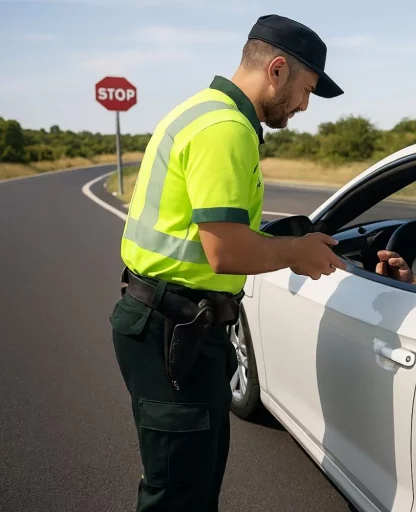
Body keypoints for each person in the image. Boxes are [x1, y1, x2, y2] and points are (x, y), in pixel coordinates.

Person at [109, 14, 345, 512]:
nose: (304, 105)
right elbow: (226, 251)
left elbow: (209, 234)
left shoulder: (200, 110)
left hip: (171, 322)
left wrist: (279, 240)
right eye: (306, 90)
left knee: (190, 480)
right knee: (178, 495)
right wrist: (297, 253)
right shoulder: (227, 128)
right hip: (172, 329)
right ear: (277, 70)